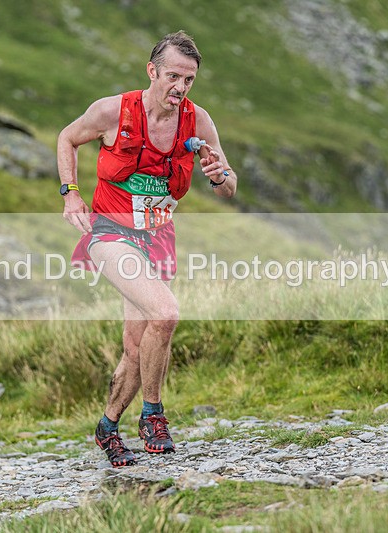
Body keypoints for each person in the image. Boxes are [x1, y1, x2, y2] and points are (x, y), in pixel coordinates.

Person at [57, 31, 237, 467]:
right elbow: (67, 138)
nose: (180, 87)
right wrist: (71, 194)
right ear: (152, 71)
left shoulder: (199, 122)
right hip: (110, 233)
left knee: (137, 347)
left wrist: (217, 174)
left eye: (189, 79)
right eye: (173, 75)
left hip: (158, 237)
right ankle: (153, 414)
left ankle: (107, 425)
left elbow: (229, 187)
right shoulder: (112, 111)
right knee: (166, 313)